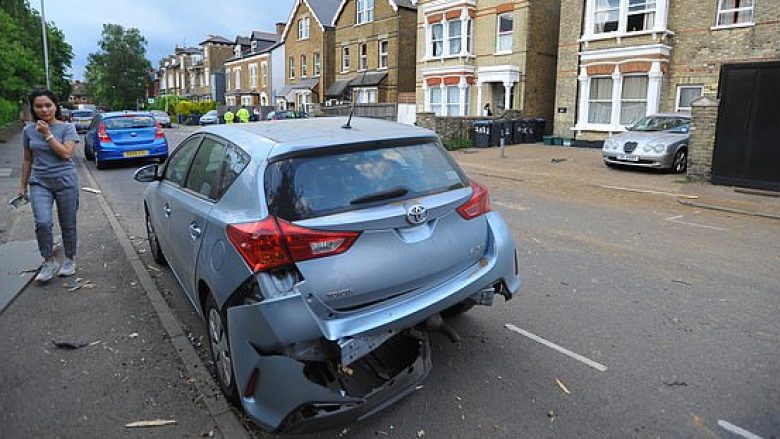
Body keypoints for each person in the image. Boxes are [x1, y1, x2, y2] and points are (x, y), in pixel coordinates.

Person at [19, 88, 79, 283]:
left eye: (48, 105)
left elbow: (66, 153)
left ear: (55, 106)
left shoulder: (67, 128)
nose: (44, 109)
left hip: (65, 181)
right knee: (42, 222)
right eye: (39, 106)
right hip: (40, 182)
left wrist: (47, 134)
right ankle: (48, 260)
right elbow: (27, 159)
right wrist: (23, 186)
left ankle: (69, 259)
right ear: (33, 108)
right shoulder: (28, 131)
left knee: (68, 224)